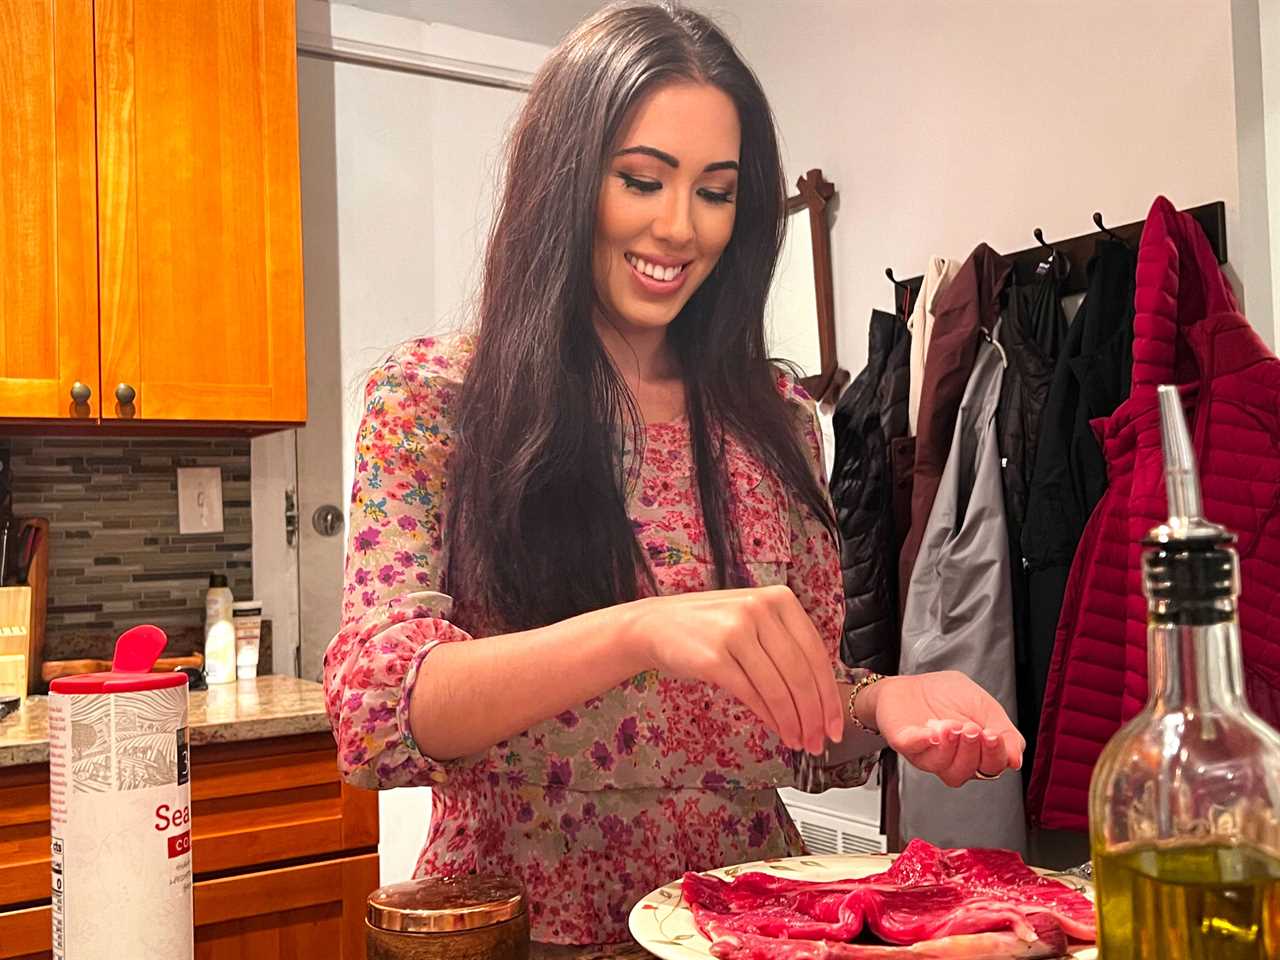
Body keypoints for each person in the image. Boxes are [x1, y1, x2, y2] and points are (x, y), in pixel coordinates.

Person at [324, 0, 1025, 946]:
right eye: (642, 180)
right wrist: (642, 630)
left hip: (743, 921)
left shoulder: (772, 415)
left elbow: (799, 727)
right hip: (523, 927)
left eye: (716, 191)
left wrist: (879, 703)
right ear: (565, 182)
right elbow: (376, 712)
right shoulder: (440, 397)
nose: (680, 228)